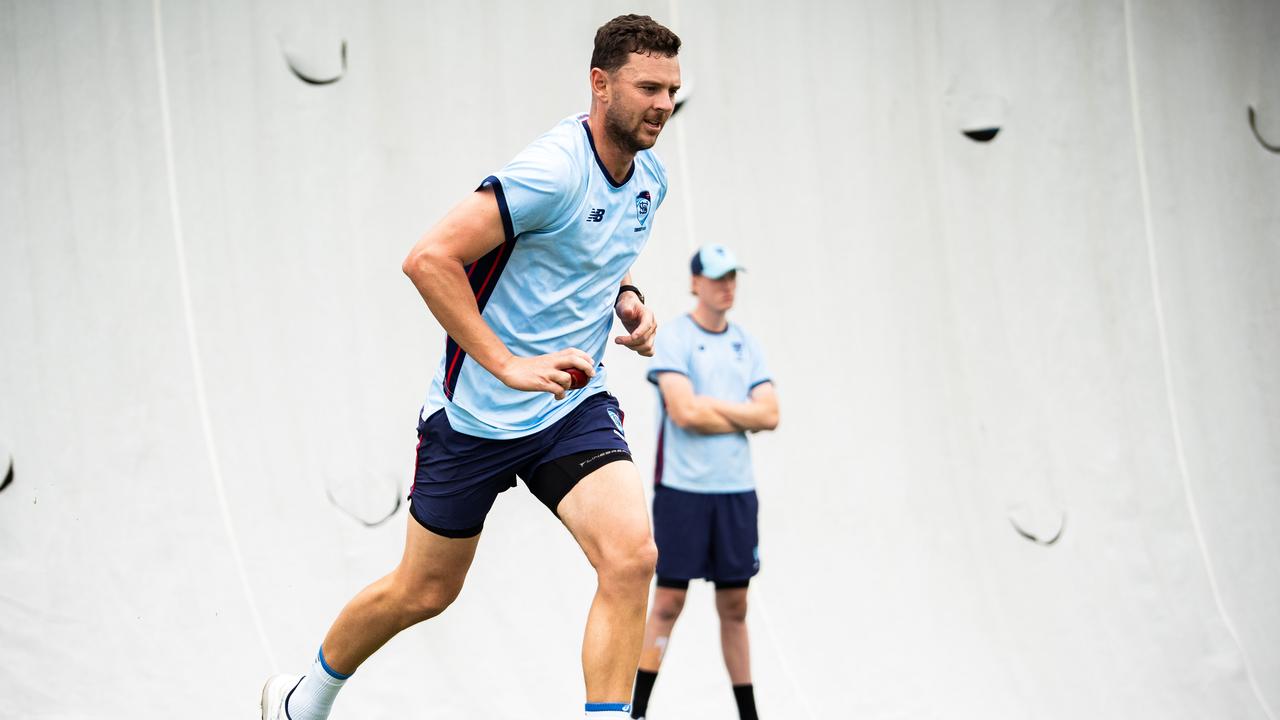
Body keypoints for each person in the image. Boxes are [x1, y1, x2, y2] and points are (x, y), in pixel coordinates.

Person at [261, 15, 681, 720]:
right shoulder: (551, 170)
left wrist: (630, 300)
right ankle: (304, 701)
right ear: (600, 84)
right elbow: (428, 260)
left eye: (671, 89)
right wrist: (508, 364)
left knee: (633, 557)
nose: (664, 105)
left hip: (571, 408)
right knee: (423, 591)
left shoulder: (648, 180)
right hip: (476, 417)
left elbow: (602, 244)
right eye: (648, 87)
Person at [629, 245, 779, 720]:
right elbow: (685, 413)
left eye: (732, 277)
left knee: (735, 605)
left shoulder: (747, 344)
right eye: (717, 278)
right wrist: (742, 414)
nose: (726, 286)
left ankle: (747, 714)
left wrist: (713, 406)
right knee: (669, 601)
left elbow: (771, 414)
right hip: (683, 492)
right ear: (695, 283)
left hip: (736, 492)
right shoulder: (674, 338)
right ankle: (636, 711)